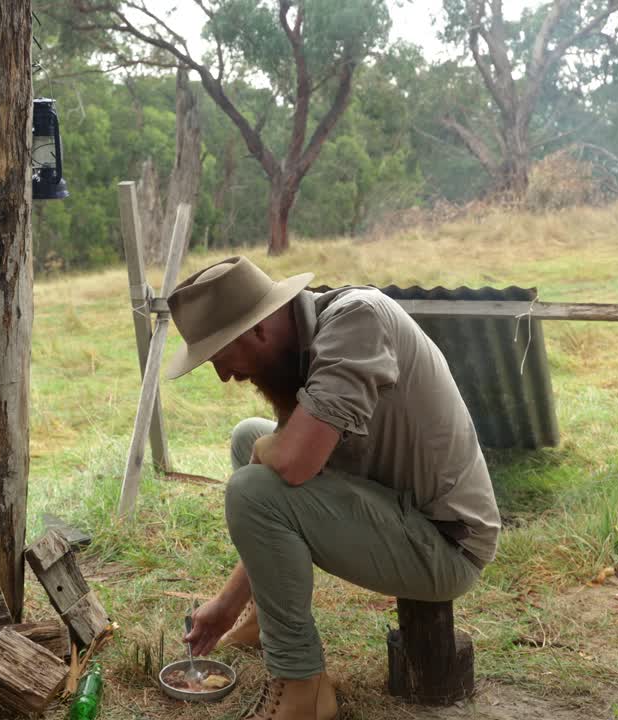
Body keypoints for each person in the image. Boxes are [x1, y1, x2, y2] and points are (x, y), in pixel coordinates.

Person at [169, 256, 501, 720]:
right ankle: (266, 614)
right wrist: (228, 604)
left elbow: (295, 463)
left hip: (444, 544)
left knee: (255, 476)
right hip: (394, 509)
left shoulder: (356, 320)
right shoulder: (299, 349)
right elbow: (284, 472)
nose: (225, 376)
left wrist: (271, 450)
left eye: (220, 358)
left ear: (258, 331)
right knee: (251, 436)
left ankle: (301, 688)